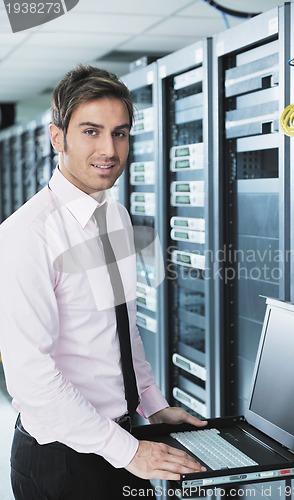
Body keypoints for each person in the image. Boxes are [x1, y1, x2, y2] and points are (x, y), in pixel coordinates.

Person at [0, 64, 207, 499]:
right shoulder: (27, 233)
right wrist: (128, 452)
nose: (109, 149)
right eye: (91, 131)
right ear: (58, 137)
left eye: (120, 133)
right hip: (63, 456)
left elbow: (120, 327)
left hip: (123, 438)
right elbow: (31, 377)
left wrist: (154, 403)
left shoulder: (115, 215)